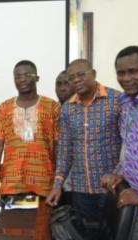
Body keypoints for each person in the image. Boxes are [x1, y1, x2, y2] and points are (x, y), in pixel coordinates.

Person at [0, 60, 60, 240]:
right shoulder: (4, 108)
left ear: (37, 78)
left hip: (44, 182)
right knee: (13, 231)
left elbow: (59, 147)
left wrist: (59, 182)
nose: (22, 79)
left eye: (27, 75)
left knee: (41, 232)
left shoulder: (52, 107)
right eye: (17, 76)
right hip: (12, 182)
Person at [46, 59, 121, 240]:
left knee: (113, 234)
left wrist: (120, 173)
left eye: (81, 75)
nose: (76, 80)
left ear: (93, 74)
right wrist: (58, 185)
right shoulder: (67, 109)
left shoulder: (117, 100)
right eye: (72, 78)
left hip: (112, 188)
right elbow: (65, 151)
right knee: (84, 235)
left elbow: (128, 144)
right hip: (81, 189)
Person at [102, 46, 138, 240]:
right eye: (121, 73)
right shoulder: (126, 102)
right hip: (133, 201)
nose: (126, 78)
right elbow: (131, 147)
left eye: (133, 71)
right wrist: (118, 173)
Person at [55, 70, 75, 205]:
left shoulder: (82, 111)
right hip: (55, 181)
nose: (62, 88)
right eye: (58, 84)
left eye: (66, 84)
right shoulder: (53, 110)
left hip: (76, 182)